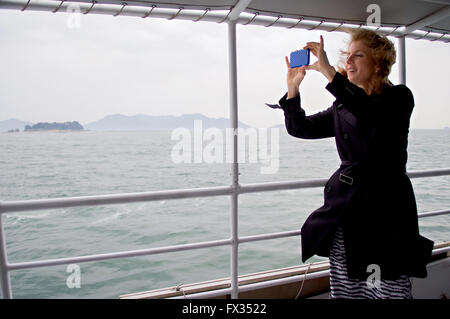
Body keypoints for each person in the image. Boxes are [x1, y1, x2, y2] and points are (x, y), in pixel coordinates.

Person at [272, 29, 434, 299]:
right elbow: (301, 128)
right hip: (346, 209)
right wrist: (293, 90)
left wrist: (328, 73)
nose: (349, 61)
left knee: (389, 289)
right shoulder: (342, 106)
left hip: (387, 212)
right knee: (348, 290)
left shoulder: (399, 98)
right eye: (347, 55)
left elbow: (371, 114)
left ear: (378, 63)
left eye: (358, 56)